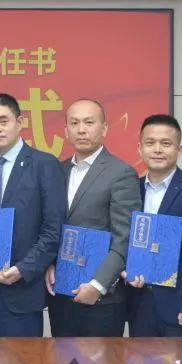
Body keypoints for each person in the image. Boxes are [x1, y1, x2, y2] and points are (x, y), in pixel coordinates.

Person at [0, 93, 66, 337]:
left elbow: (53, 229)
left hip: (22, 291)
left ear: (20, 122)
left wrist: (24, 269)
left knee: (22, 362)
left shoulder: (44, 164)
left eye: (3, 121)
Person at [43, 99, 140, 337]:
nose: (81, 129)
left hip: (101, 300)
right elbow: (50, 227)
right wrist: (49, 263)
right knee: (61, 360)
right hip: (61, 292)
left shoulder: (121, 173)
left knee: (101, 362)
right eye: (74, 123)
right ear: (66, 130)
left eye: (89, 122)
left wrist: (98, 285)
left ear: (104, 128)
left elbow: (124, 238)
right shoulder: (57, 170)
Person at [124, 114, 182, 337]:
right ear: (139, 148)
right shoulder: (131, 189)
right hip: (139, 303)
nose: (157, 150)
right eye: (150, 143)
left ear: (179, 149)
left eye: (166, 143)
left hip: (179, 308)